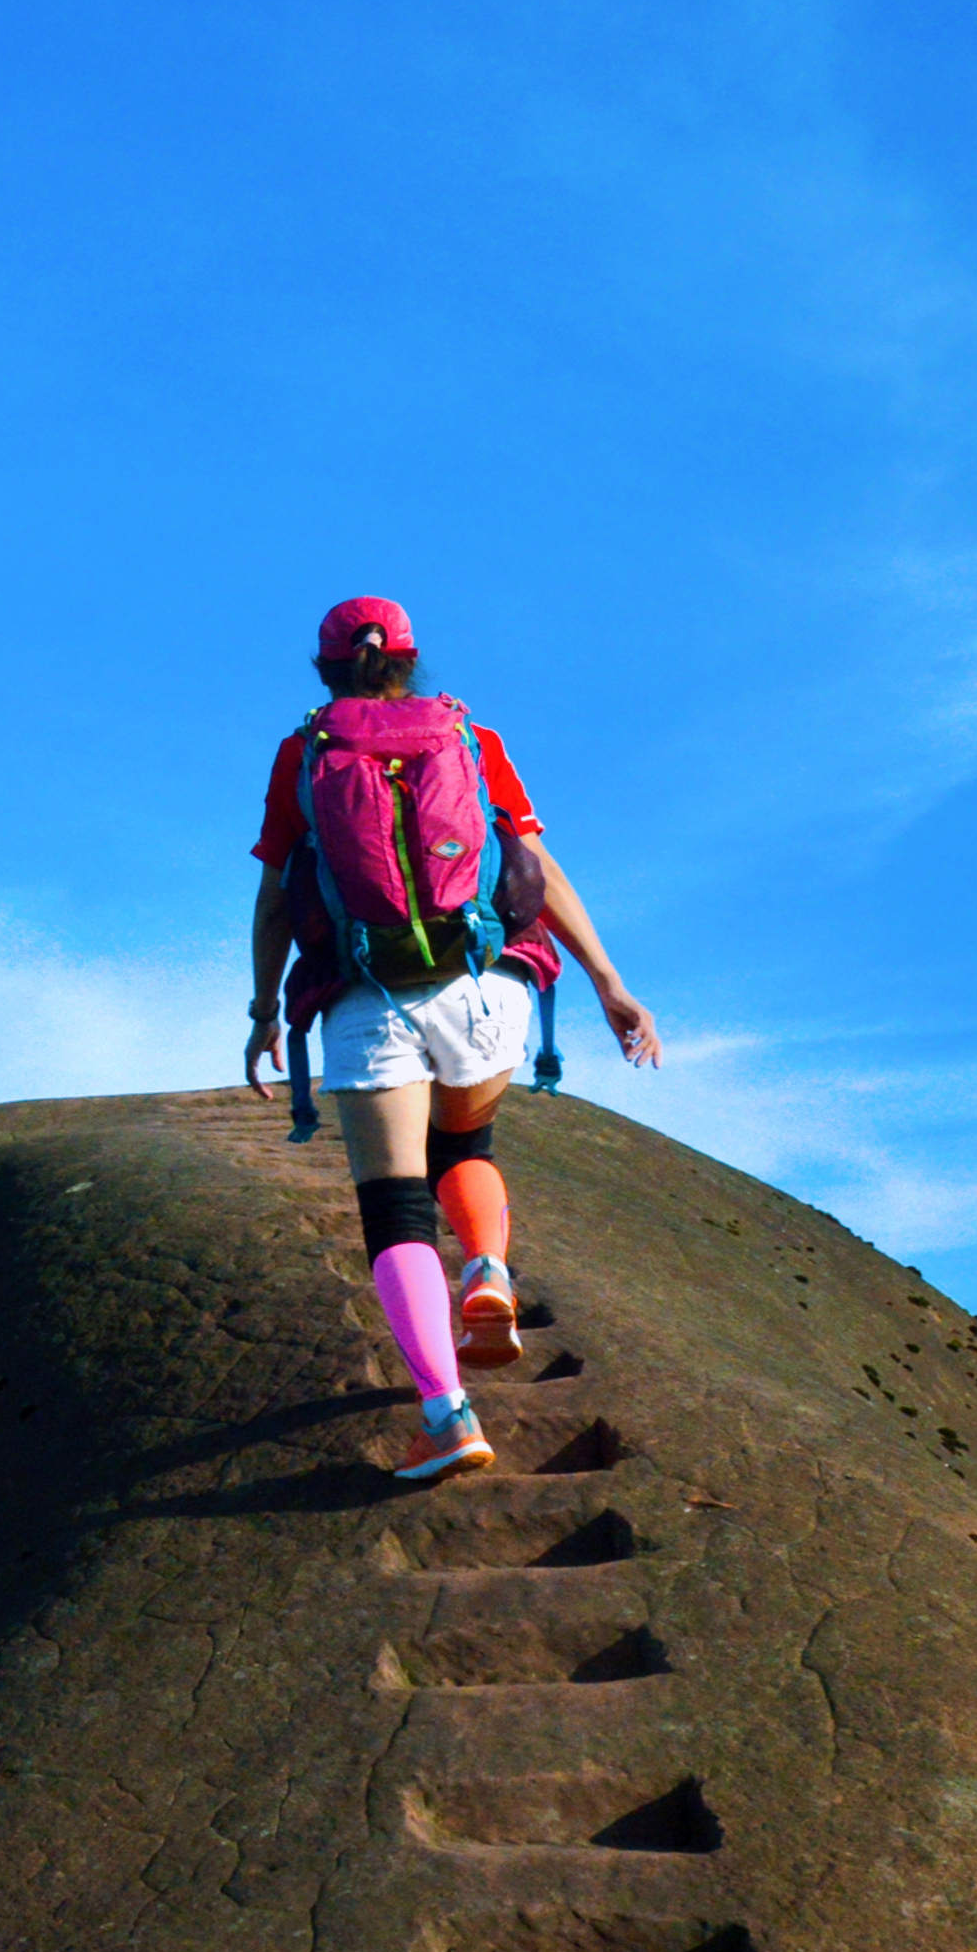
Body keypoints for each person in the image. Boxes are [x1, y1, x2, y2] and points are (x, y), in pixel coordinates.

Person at [242, 598, 659, 1481]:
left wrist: (262, 1010)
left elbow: (279, 894)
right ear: (410, 659)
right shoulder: (470, 737)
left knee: (393, 1209)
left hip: (368, 995)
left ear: (324, 667)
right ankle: (486, 1270)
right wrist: (608, 983)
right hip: (486, 987)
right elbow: (534, 869)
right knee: (464, 1140)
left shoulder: (304, 753)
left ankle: (445, 1414)